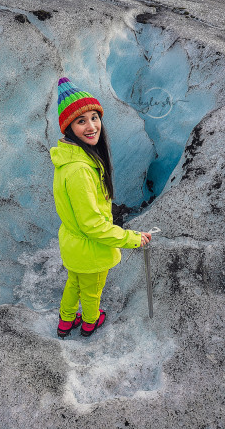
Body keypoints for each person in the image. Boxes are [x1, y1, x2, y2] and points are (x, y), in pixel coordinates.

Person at [51, 77, 151, 338]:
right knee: (92, 290)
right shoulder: (80, 171)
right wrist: (131, 238)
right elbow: (92, 225)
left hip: (74, 245)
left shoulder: (68, 160)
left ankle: (65, 321)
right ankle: (90, 323)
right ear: (69, 127)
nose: (91, 126)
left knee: (74, 283)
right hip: (90, 249)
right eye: (81, 121)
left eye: (94, 117)